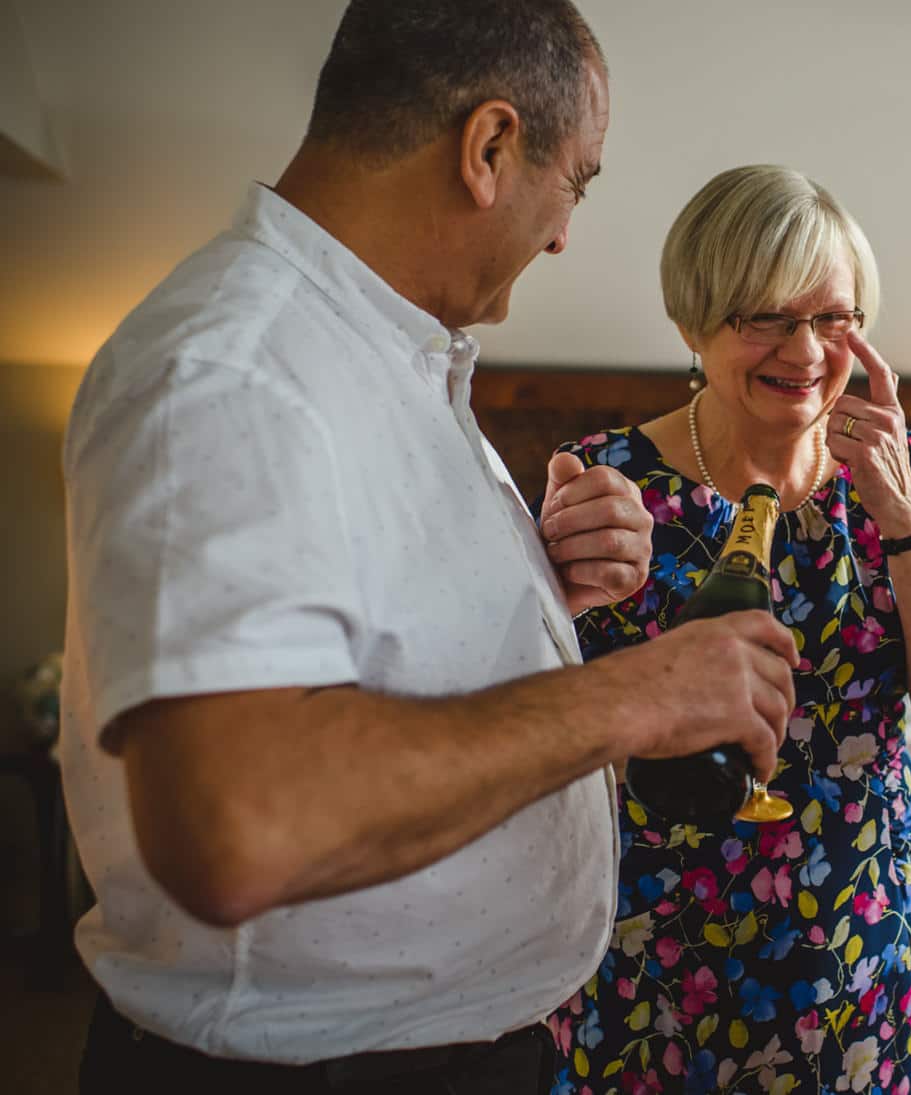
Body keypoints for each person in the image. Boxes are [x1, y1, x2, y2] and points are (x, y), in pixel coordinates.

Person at [60, 3, 799, 1091]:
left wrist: (541, 595)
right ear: (490, 147)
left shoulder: (385, 354)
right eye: (576, 183)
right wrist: (629, 698)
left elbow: (361, 650)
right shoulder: (236, 369)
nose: (562, 237)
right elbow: (239, 825)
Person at [541, 164, 911, 1095]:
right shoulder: (607, 484)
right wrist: (566, 596)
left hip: (869, 958)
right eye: (763, 315)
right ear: (693, 322)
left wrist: (904, 514)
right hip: (653, 962)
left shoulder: (902, 464)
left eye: (833, 318)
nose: (804, 350)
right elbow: (532, 726)